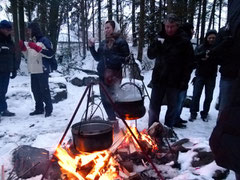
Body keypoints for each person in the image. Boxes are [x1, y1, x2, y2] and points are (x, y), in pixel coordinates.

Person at [147, 14, 194, 129]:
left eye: (172, 26)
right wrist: (156, 46)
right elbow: (150, 55)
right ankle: (152, 129)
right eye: (167, 26)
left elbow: (189, 64)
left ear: (177, 26)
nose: (169, 29)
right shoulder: (160, 37)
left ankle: (168, 130)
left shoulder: (184, 41)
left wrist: (184, 81)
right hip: (159, 79)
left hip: (175, 80)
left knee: (173, 107)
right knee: (154, 106)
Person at [88, 20, 130, 131]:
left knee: (113, 99)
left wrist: (112, 57)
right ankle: (113, 122)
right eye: (105, 28)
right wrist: (91, 47)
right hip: (102, 74)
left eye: (108, 28)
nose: (106, 30)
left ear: (114, 28)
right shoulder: (103, 42)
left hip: (114, 75)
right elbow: (97, 57)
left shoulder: (121, 42)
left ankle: (117, 119)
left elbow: (127, 59)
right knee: (104, 99)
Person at [19, 21, 54, 117]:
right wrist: (23, 49)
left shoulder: (44, 40)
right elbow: (29, 56)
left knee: (44, 89)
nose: (28, 32)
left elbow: (50, 54)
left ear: (34, 29)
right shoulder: (32, 41)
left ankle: (48, 109)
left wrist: (38, 48)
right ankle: (39, 108)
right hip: (33, 69)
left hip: (42, 68)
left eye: (29, 29)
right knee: (35, 90)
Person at [189, 30, 218, 122]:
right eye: (210, 37)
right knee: (196, 95)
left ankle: (205, 113)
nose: (211, 39)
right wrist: (201, 58)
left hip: (211, 76)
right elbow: (194, 58)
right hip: (200, 75)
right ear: (207, 38)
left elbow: (220, 59)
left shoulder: (217, 48)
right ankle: (193, 113)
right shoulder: (200, 47)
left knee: (209, 96)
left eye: (213, 38)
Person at [174, 22, 195, 127]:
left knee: (181, 98)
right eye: (192, 29)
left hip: (183, 76)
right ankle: (175, 119)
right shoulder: (184, 41)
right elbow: (185, 60)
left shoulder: (185, 40)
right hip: (180, 76)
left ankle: (177, 117)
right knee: (179, 98)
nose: (193, 31)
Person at [0, 20, 17, 119]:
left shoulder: (10, 41)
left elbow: (13, 56)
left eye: (10, 30)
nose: (9, 31)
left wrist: (14, 69)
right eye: (7, 29)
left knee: (2, 91)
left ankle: (3, 109)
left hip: (6, 71)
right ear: (1, 29)